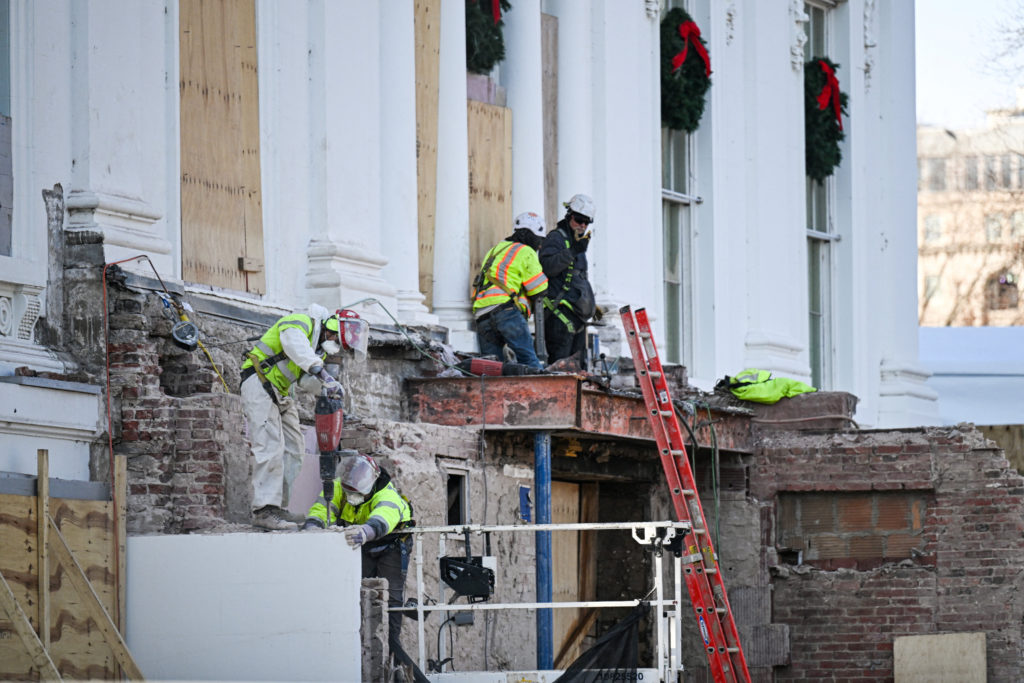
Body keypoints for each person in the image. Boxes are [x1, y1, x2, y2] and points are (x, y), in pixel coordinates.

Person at [241, 303, 345, 530]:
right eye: (336, 338)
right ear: (329, 329)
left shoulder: (316, 349)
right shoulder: (301, 320)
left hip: (280, 391)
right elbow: (294, 345)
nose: (335, 344)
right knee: (270, 445)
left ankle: (277, 508)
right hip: (259, 381)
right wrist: (322, 371)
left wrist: (327, 387)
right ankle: (263, 510)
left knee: (295, 449)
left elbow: (304, 381)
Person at [302, 453, 414, 649]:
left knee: (392, 598)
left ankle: (393, 647)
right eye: (348, 492)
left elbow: (383, 517)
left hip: (391, 545)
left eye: (357, 494)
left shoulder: (387, 494)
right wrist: (313, 527)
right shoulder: (340, 486)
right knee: (358, 592)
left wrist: (365, 531)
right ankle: (361, 645)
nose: (351, 497)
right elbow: (322, 509)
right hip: (363, 544)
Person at [471, 211, 549, 369]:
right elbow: (539, 289)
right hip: (505, 312)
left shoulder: (496, 249)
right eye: (539, 240)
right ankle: (540, 393)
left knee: (492, 367)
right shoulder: (526, 251)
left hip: (481, 314)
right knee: (528, 360)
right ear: (530, 235)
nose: (540, 245)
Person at [539, 194, 597, 367]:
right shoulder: (556, 238)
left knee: (577, 370)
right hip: (559, 319)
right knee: (559, 368)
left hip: (577, 320)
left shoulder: (577, 243)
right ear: (569, 216)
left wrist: (590, 302)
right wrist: (572, 251)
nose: (582, 225)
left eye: (587, 222)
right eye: (579, 220)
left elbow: (578, 277)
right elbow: (548, 266)